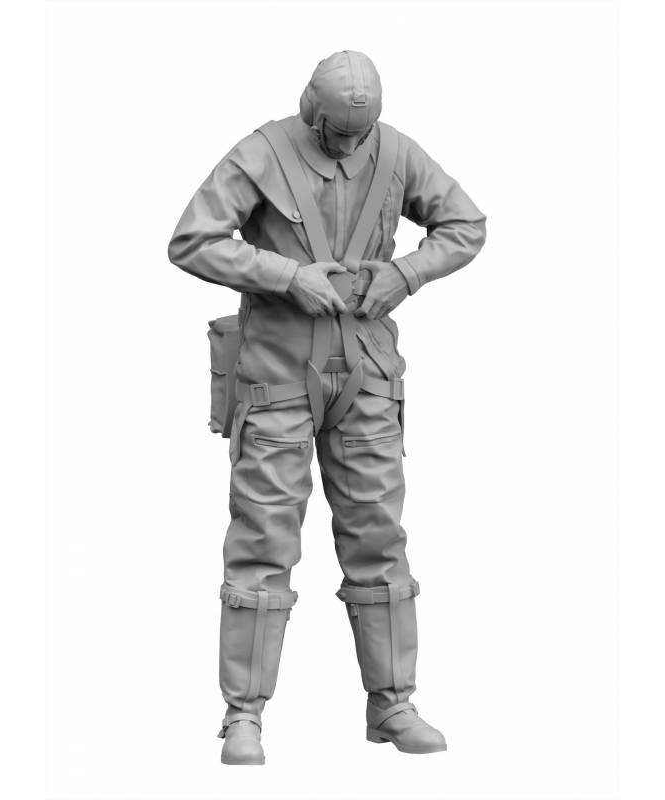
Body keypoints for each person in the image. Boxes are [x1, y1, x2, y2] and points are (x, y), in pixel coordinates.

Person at [168, 50, 487, 765]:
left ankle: (392, 702)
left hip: (367, 373)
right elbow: (191, 240)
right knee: (263, 539)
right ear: (311, 112)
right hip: (277, 374)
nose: (350, 146)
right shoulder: (262, 152)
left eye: (359, 134)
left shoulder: (395, 152)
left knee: (379, 535)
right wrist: (286, 276)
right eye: (338, 132)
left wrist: (405, 274)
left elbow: (465, 225)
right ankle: (243, 713)